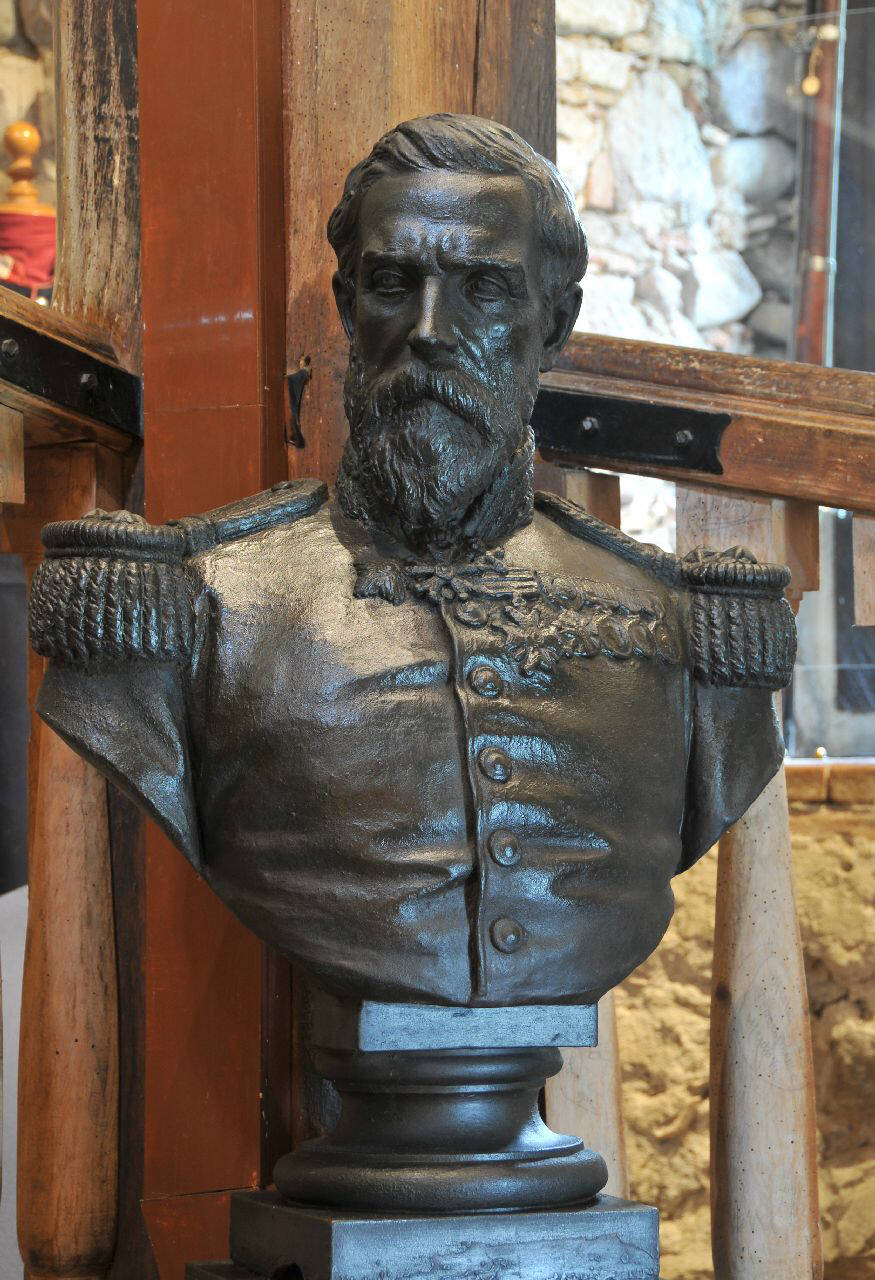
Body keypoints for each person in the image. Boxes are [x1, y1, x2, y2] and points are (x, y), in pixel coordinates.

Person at [29, 115, 795, 1008]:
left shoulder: (678, 620)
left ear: (555, 323)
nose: (431, 331)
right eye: (393, 283)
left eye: (485, 288)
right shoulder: (202, 599)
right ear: (348, 306)